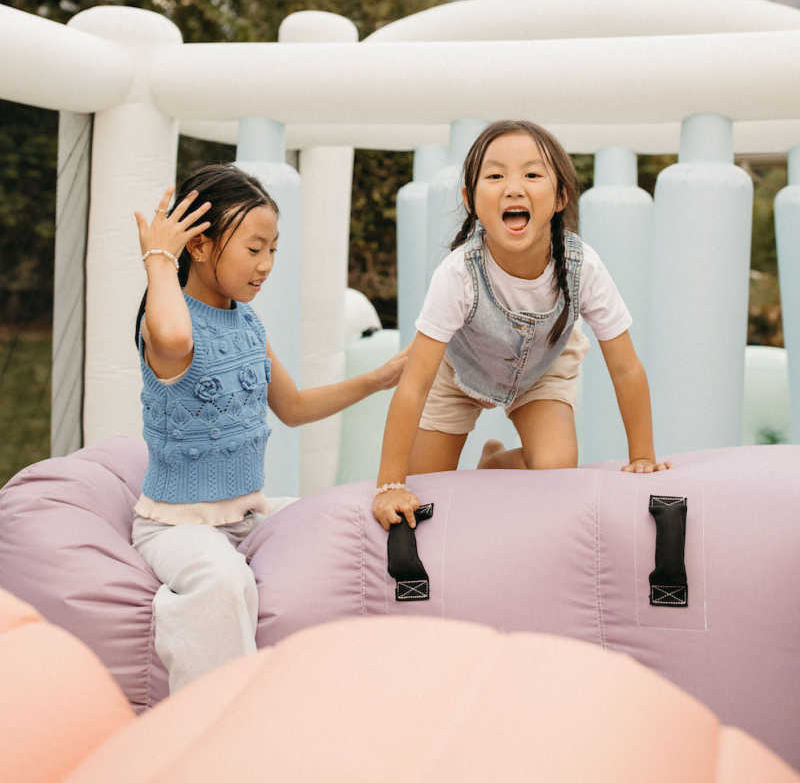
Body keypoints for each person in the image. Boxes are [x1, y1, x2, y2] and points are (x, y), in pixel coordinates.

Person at [132, 163, 405, 691]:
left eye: (273, 249)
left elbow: (294, 406)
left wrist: (378, 379)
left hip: (245, 516)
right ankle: (214, 719)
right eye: (254, 249)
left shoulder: (247, 322)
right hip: (177, 527)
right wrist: (159, 258)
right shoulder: (167, 323)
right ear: (201, 246)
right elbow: (172, 339)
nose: (267, 264)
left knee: (347, 517)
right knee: (221, 581)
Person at [372, 120, 670, 530]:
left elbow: (625, 366)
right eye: (495, 176)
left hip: (542, 367)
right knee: (428, 485)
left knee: (555, 468)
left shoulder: (583, 266)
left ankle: (497, 462)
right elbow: (415, 384)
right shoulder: (458, 273)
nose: (514, 187)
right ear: (471, 199)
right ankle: (462, 463)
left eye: (532, 174)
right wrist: (389, 484)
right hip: (459, 368)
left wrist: (642, 457)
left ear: (560, 196)